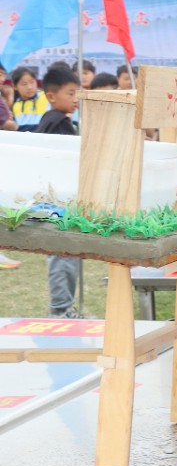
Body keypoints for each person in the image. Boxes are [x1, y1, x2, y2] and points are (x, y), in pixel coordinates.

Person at [35, 67, 85, 317]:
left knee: (64, 254)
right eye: (70, 93)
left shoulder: (49, 119)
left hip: (50, 197)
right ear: (51, 96)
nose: (76, 99)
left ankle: (64, 307)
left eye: (77, 93)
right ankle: (61, 309)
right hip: (59, 199)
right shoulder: (60, 123)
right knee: (63, 254)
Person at [9, 67, 47, 131]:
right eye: (24, 84)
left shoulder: (46, 97)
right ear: (15, 86)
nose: (29, 87)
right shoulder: (15, 105)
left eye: (32, 82)